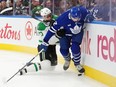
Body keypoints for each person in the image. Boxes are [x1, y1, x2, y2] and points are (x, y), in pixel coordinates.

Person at [39, 6, 94, 74]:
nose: (76, 20)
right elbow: (51, 30)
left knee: (75, 48)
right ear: (70, 15)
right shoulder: (62, 19)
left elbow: (93, 13)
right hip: (65, 33)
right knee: (63, 50)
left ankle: (77, 64)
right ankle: (67, 59)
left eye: (78, 18)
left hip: (77, 32)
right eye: (74, 18)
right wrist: (45, 41)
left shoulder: (83, 11)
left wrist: (91, 17)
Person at [19, 7, 59, 75]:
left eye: (50, 15)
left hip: (52, 46)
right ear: (43, 17)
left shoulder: (55, 18)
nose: (50, 17)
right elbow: (48, 40)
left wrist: (55, 24)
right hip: (44, 46)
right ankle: (25, 70)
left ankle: (32, 64)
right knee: (46, 64)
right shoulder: (41, 26)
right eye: (47, 16)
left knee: (53, 65)